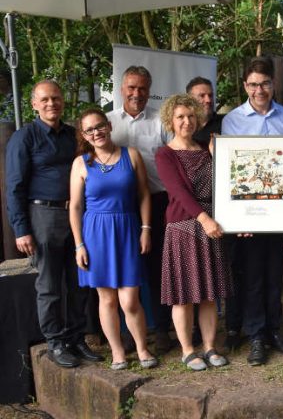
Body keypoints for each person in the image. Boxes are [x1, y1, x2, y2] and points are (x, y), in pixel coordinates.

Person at [5, 80, 102, 368]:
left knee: (78, 282)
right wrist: (21, 229)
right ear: (34, 104)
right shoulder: (25, 138)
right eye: (45, 99)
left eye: (56, 98)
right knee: (49, 285)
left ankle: (75, 337)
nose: (52, 104)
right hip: (42, 216)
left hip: (76, 216)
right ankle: (56, 341)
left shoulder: (74, 135)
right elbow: (14, 187)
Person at [221, 57, 283, 366]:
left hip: (280, 212)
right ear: (245, 86)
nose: (259, 90)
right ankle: (255, 334)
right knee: (252, 276)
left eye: (265, 83)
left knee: (273, 274)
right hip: (248, 216)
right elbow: (231, 171)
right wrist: (234, 217)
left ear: (273, 84)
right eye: (253, 84)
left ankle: (274, 331)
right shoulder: (232, 121)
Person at [68, 108, 156, 370]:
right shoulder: (81, 163)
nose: (96, 132)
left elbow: (144, 194)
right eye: (90, 130)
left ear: (108, 125)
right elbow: (74, 207)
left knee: (130, 299)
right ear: (84, 135)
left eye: (99, 126)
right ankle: (117, 351)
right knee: (106, 299)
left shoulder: (132, 155)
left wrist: (146, 228)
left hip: (127, 229)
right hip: (95, 233)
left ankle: (142, 348)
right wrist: (79, 245)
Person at [155, 94, 231, 370]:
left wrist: (214, 156)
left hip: (211, 227)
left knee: (210, 293)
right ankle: (188, 350)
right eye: (180, 117)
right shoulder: (165, 154)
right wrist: (204, 219)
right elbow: (178, 192)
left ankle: (210, 347)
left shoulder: (207, 147)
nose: (186, 121)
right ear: (170, 121)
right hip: (185, 228)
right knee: (184, 295)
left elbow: (226, 183)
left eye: (190, 116)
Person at [106, 66, 173, 354]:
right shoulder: (107, 122)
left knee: (158, 268)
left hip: (157, 203)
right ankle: (128, 334)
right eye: (131, 88)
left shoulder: (161, 120)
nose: (137, 93)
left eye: (142, 88)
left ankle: (162, 330)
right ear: (121, 89)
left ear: (149, 90)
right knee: (123, 270)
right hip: (117, 207)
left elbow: (174, 158)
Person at [187, 77, 224, 147]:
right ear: (190, 100)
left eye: (210, 95)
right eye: (202, 96)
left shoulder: (226, 123)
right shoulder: (184, 126)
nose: (208, 100)